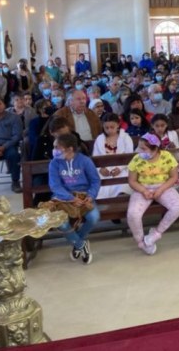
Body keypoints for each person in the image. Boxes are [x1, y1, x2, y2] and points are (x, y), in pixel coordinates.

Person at [126, 133, 179, 255]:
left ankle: (156, 233)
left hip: (163, 186)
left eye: (143, 149)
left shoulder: (167, 156)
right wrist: (143, 191)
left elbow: (174, 177)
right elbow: (132, 181)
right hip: (142, 188)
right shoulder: (137, 159)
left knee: (177, 206)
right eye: (139, 147)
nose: (140, 151)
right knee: (133, 213)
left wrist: (161, 190)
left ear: (155, 148)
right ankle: (141, 241)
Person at [48, 133, 100, 264]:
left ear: (70, 149)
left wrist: (90, 196)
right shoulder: (54, 163)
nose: (54, 150)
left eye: (57, 147)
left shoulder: (85, 161)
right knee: (62, 223)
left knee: (94, 217)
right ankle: (81, 245)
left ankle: (77, 243)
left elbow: (95, 181)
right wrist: (70, 198)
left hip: (83, 198)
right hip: (62, 199)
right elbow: (55, 185)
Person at [92, 113, 134, 199]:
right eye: (106, 128)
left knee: (122, 184)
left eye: (112, 127)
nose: (109, 130)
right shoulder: (99, 139)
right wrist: (100, 169)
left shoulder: (126, 137)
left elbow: (129, 156)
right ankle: (103, 204)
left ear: (118, 125)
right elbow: (95, 157)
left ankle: (120, 199)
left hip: (122, 168)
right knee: (99, 187)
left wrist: (120, 168)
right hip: (104, 169)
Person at [0, 96, 23, 192]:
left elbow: (17, 136)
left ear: (4, 105)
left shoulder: (14, 117)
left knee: (14, 155)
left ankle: (15, 181)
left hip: (9, 145)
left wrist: (3, 147)